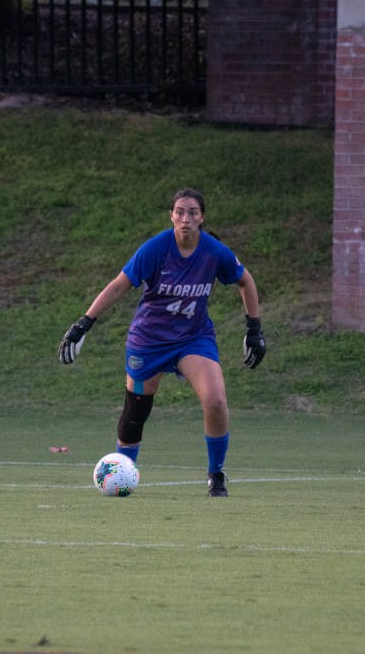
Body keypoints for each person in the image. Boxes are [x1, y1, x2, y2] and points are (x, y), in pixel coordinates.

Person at [57, 188, 266, 497]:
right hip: (149, 341)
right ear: (171, 216)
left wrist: (254, 327)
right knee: (136, 411)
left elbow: (245, 280)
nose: (186, 218)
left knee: (216, 401)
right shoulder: (156, 249)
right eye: (180, 211)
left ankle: (216, 474)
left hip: (193, 339)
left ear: (202, 218)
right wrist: (84, 323)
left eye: (192, 212)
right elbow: (119, 286)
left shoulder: (213, 251)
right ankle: (121, 475)